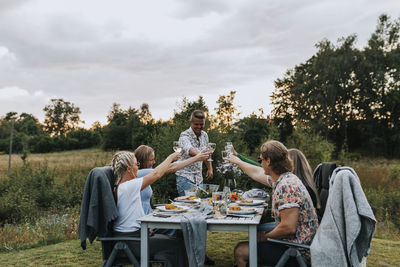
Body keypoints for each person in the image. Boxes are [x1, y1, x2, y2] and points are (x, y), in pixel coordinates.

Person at [226, 140, 319, 267]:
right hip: (293, 243)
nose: (260, 164)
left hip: (298, 250)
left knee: (241, 250)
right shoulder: (283, 178)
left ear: (268, 161)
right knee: (251, 239)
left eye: (261, 160)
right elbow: (256, 172)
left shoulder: (287, 186)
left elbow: (288, 227)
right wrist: (238, 161)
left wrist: (264, 237)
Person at [111, 150, 186, 267]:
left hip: (130, 236)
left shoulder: (123, 186)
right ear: (128, 169)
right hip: (131, 241)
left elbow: (131, 212)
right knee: (177, 245)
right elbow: (156, 174)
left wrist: (143, 229)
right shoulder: (128, 186)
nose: (138, 168)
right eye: (136, 165)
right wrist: (171, 157)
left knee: (172, 242)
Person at [175, 110, 213, 196]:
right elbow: (190, 150)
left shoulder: (205, 135)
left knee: (198, 205)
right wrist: (202, 155)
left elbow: (208, 153)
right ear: (191, 122)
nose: (199, 127)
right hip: (185, 177)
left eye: (201, 124)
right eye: (196, 124)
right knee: (190, 205)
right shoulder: (184, 136)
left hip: (199, 178)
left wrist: (210, 168)